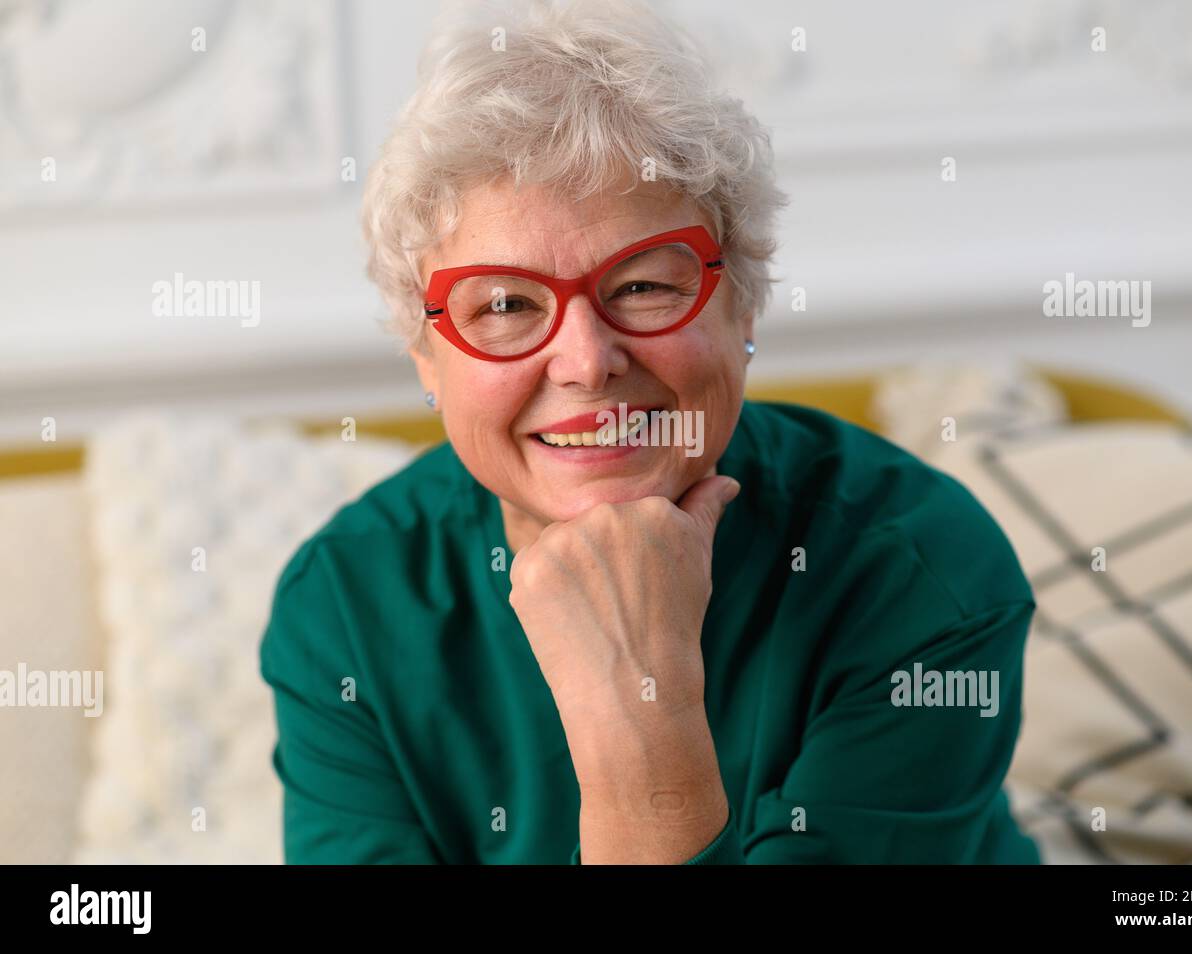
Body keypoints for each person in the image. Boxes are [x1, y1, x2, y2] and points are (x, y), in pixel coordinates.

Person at [259, 0, 1040, 864]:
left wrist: (640, 707)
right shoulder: (344, 602)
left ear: (744, 301)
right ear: (426, 359)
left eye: (643, 286)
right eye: (507, 305)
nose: (587, 361)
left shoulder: (923, 570)